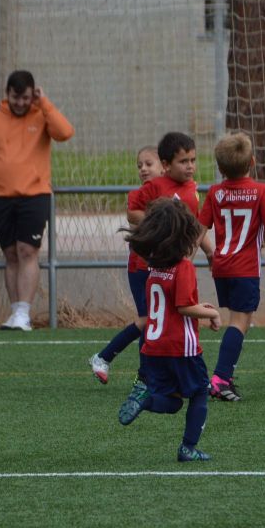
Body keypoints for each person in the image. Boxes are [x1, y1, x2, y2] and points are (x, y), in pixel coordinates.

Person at [107, 132, 215, 412]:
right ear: (166, 165)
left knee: (169, 320)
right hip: (154, 266)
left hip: (180, 263)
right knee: (156, 318)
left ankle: (154, 381)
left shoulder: (192, 190)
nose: (190, 166)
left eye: (193, 160)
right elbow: (132, 211)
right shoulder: (155, 186)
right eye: (183, 161)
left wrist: (209, 251)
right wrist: (160, 227)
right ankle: (145, 378)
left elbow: (194, 225)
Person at [117, 198, 222, 462]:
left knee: (174, 402)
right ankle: (188, 448)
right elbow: (184, 307)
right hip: (180, 347)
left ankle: (144, 400)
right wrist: (212, 313)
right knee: (200, 392)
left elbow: (172, 304)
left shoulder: (154, 267)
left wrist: (199, 306)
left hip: (154, 347)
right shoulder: (183, 267)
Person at [199, 131, 265, 402]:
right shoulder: (261, 191)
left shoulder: (215, 192)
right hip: (245, 269)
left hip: (221, 266)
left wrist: (187, 255)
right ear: (253, 162)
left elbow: (199, 229)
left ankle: (224, 377)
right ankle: (220, 379)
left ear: (220, 168)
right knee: (240, 322)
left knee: (239, 321)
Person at [0, 70, 74, 331]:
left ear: (33, 95)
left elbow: (65, 132)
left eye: (25, 98)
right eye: (15, 97)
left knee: (27, 251)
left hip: (34, 196)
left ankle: (24, 314)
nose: (20, 103)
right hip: (0, 197)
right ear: (7, 94)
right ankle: (16, 311)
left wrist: (44, 102)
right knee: (10, 254)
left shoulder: (42, 114)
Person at [88, 146, 162, 383]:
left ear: (164, 166)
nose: (143, 169)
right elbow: (143, 222)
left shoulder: (172, 194)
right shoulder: (137, 196)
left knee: (157, 321)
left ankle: (151, 373)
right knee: (147, 320)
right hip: (140, 267)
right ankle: (108, 359)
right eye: (140, 165)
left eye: (149, 164)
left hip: (161, 266)